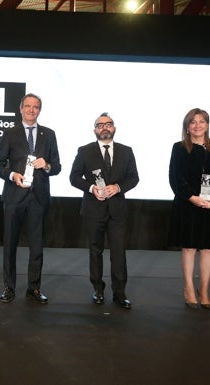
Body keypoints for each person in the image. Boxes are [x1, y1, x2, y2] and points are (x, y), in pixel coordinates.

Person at [0, 93, 61, 304]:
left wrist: (47, 165)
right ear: (20, 109)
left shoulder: (49, 135)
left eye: (36, 107)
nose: (32, 110)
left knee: (37, 247)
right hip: (14, 196)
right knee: (10, 245)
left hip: (38, 198)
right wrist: (13, 175)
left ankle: (34, 288)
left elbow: (57, 166)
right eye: (28, 106)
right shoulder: (10, 133)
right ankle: (8, 288)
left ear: (40, 110)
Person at [168, 108, 210, 311]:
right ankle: (189, 288)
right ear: (187, 126)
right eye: (193, 122)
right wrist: (192, 198)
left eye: (202, 121)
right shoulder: (179, 148)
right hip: (187, 204)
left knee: (208, 248)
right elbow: (175, 178)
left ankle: (204, 290)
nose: (197, 125)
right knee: (189, 247)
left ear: (207, 125)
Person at [69, 112, 139, 309]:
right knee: (95, 251)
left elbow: (133, 178)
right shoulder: (84, 151)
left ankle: (119, 293)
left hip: (117, 210)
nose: (104, 127)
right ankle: (98, 290)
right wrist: (91, 189)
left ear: (114, 128)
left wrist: (117, 187)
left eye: (108, 124)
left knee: (118, 253)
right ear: (95, 130)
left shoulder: (127, 151)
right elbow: (74, 178)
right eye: (100, 125)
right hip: (93, 209)